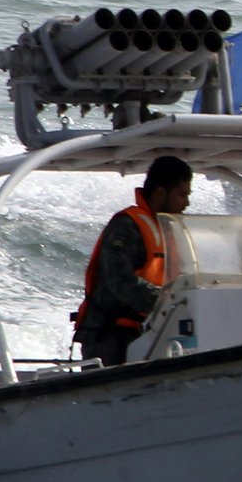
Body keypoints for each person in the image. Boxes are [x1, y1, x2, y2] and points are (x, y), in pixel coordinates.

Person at [73, 154, 192, 365]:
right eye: (182, 195)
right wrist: (169, 300)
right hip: (110, 335)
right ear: (160, 193)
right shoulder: (126, 226)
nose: (187, 203)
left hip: (149, 331)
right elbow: (120, 282)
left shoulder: (170, 231)